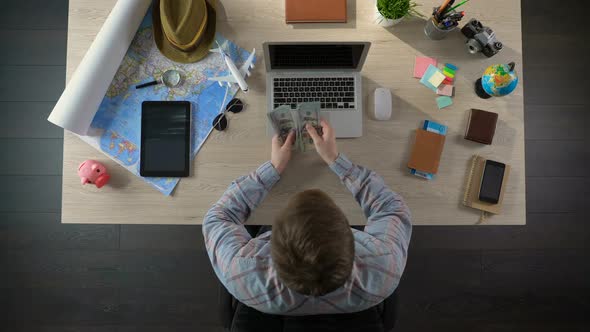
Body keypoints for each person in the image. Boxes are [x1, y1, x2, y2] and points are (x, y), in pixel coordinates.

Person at [203, 120, 412, 315]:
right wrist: (335, 159)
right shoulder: (385, 267)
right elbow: (391, 207)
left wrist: (274, 168)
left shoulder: (240, 271)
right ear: (351, 237)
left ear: (272, 241)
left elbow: (218, 217)